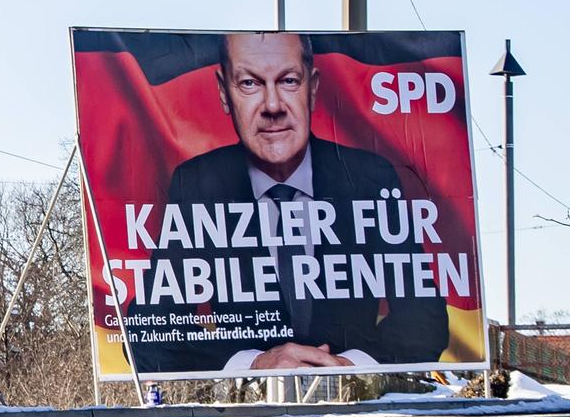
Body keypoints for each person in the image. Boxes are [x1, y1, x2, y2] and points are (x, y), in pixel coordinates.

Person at [123, 32, 448, 374]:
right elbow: (147, 333)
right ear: (224, 93)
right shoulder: (199, 184)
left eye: (289, 81)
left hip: (357, 408)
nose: (273, 106)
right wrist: (253, 364)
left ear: (313, 87)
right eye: (249, 83)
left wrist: (347, 366)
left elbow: (424, 320)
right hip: (249, 415)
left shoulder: (370, 177)